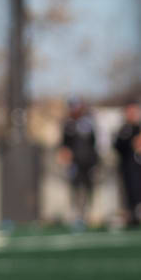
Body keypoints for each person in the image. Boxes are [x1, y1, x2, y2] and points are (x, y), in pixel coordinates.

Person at [57, 96, 99, 231]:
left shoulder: (88, 123)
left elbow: (94, 142)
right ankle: (76, 214)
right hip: (75, 163)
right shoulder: (67, 125)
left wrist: (95, 160)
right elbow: (64, 145)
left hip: (88, 162)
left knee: (89, 188)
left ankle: (89, 213)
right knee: (75, 188)